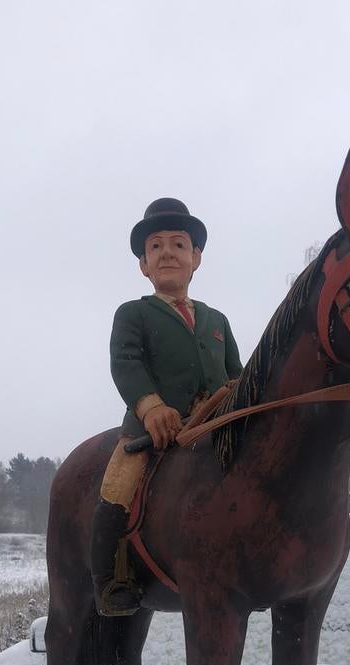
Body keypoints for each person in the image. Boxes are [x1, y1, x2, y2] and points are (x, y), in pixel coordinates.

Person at [91, 198, 243, 616]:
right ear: (143, 264)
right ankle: (109, 579)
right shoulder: (133, 314)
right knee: (117, 487)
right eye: (155, 246)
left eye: (179, 244)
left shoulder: (218, 322)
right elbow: (125, 363)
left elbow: (236, 373)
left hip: (215, 426)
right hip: (148, 430)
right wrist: (151, 406)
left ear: (196, 258)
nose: (167, 253)